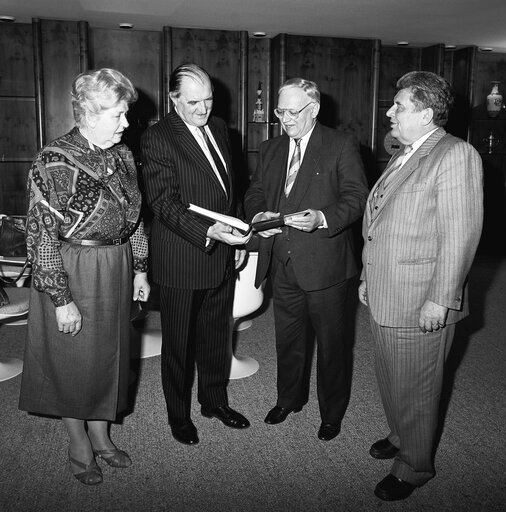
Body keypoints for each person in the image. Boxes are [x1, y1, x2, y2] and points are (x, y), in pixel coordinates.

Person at [19, 68, 151, 486]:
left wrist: (141, 268)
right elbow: (40, 237)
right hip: (73, 267)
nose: (126, 124)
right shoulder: (53, 159)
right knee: (74, 359)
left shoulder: (122, 154)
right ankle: (78, 439)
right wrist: (61, 299)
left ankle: (100, 430)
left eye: (126, 113)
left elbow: (136, 218)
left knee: (110, 354)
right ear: (88, 113)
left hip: (117, 265)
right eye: (117, 115)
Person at [358, 71, 483, 501]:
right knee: (392, 377)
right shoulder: (407, 151)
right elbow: (379, 221)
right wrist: (366, 275)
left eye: (399, 106)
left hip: (421, 299)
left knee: (418, 386)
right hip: (386, 292)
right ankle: (401, 433)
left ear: (426, 113)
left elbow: (460, 235)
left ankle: (415, 465)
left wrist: (439, 300)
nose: (390, 112)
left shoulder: (456, 155)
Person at [244, 78, 368, 441]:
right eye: (280, 111)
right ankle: (289, 398)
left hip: (326, 264)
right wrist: (257, 217)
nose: (284, 118)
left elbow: (357, 197)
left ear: (313, 109)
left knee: (333, 345)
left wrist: (323, 218)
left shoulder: (340, 144)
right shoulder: (270, 148)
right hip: (282, 261)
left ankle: (331, 413)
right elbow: (254, 192)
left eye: (292, 111)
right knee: (289, 339)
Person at [140, 63, 251, 446]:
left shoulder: (220, 128)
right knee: (178, 345)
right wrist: (207, 231)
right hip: (182, 255)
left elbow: (228, 190)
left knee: (216, 335)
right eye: (193, 102)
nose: (203, 109)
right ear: (173, 99)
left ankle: (214, 401)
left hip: (221, 251)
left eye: (208, 100)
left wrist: (233, 230)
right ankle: (178, 415)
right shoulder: (158, 138)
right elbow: (162, 202)